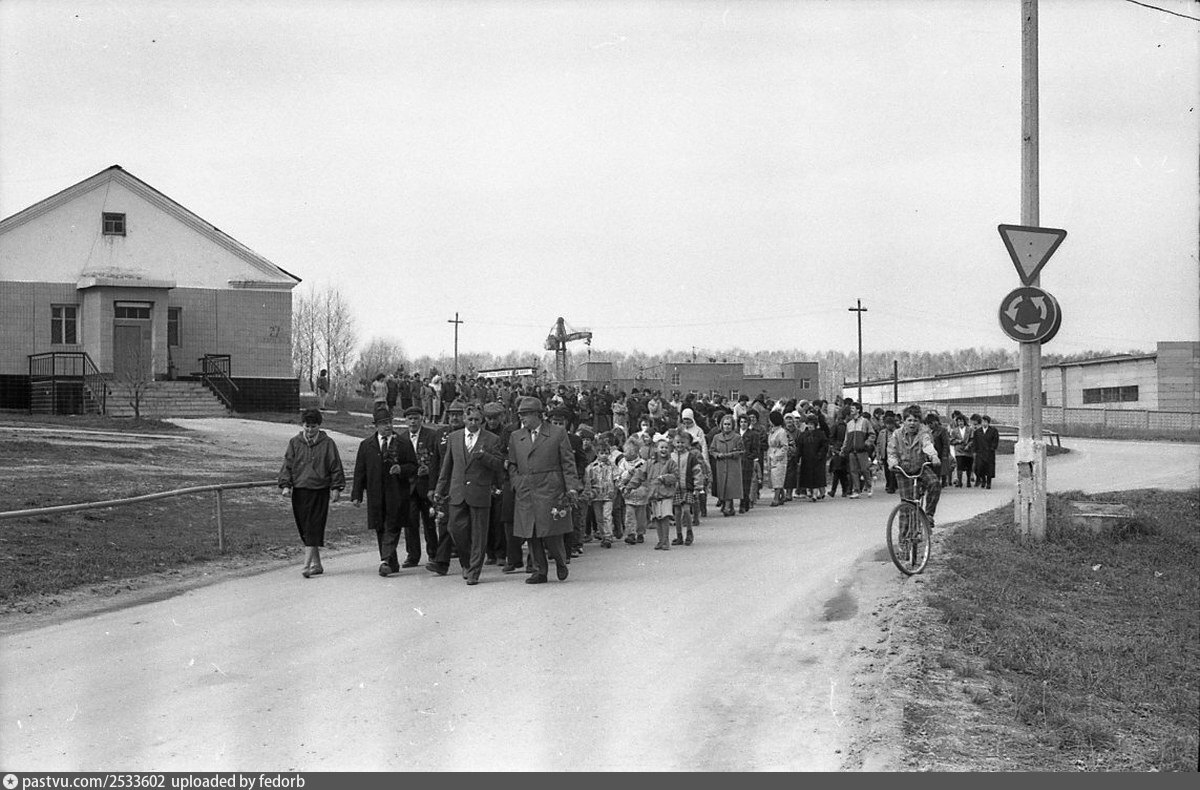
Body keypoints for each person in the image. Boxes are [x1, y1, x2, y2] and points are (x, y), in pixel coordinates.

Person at [507, 396, 582, 584]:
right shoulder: (516, 436)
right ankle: (540, 571)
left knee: (551, 531)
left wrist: (572, 488)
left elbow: (568, 463)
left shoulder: (557, 433)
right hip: (526, 490)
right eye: (520, 414)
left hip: (550, 490)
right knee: (531, 532)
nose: (522, 418)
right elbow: (512, 464)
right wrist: (516, 482)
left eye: (525, 414)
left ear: (537, 414)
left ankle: (560, 561)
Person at [431, 404, 505, 585]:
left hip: (480, 492)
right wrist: (439, 489)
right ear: (464, 419)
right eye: (470, 419)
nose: (473, 423)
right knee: (455, 529)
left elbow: (499, 464)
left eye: (477, 420)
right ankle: (466, 562)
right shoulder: (454, 438)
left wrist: (484, 456)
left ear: (482, 420)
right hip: (457, 492)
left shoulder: (492, 439)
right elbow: (447, 466)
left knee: (479, 534)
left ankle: (474, 571)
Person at [351, 405, 419, 577]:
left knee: (393, 525)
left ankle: (385, 560)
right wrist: (356, 495)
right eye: (383, 423)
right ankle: (391, 562)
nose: (388, 426)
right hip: (376, 494)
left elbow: (413, 466)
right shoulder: (366, 445)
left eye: (389, 422)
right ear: (376, 425)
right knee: (380, 527)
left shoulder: (403, 443)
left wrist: (401, 469)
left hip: (397, 493)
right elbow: (360, 472)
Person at [278, 408, 345, 578]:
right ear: (302, 425)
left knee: (313, 527)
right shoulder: (295, 442)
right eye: (307, 426)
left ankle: (306, 565)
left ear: (319, 426)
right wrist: (286, 485)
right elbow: (288, 464)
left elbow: (335, 465)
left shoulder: (328, 443)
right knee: (304, 528)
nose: (309, 430)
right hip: (300, 490)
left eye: (313, 427)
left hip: (319, 490)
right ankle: (317, 564)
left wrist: (336, 487)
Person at [887, 404, 942, 525]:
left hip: (920, 468)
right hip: (903, 470)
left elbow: (927, 445)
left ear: (919, 422)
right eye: (909, 420)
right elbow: (891, 451)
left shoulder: (923, 433)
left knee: (935, 484)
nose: (912, 423)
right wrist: (893, 463)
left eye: (915, 420)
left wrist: (933, 456)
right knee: (906, 505)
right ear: (904, 421)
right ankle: (904, 535)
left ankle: (928, 515)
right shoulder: (897, 434)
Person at [402, 405, 442, 567]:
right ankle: (412, 556)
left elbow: (437, 459)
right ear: (405, 420)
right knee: (410, 521)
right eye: (410, 419)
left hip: (427, 486)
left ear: (422, 419)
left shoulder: (431, 436)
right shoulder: (401, 438)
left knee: (429, 521)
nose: (413, 422)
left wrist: (429, 470)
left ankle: (433, 553)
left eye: (416, 418)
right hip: (409, 487)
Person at [582, 432, 618, 549]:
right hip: (596, 496)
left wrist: (616, 489)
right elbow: (588, 481)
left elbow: (616, 478)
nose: (604, 455)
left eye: (606, 453)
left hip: (608, 495)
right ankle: (603, 535)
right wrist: (588, 493)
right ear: (597, 454)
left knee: (607, 516)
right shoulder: (591, 467)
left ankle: (608, 536)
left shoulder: (612, 466)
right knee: (599, 518)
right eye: (602, 453)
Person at [645, 434, 679, 550]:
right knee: (657, 519)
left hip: (666, 495)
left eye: (666, 447)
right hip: (654, 495)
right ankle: (660, 540)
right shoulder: (650, 463)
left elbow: (675, 476)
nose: (664, 449)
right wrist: (630, 486)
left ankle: (666, 540)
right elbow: (640, 475)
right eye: (661, 447)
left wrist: (664, 478)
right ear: (656, 449)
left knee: (665, 518)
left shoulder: (671, 463)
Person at [708, 414, 745, 518]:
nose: (727, 426)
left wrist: (732, 454)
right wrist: (717, 455)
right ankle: (729, 506)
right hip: (721, 465)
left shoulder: (737, 437)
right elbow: (711, 450)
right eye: (725, 424)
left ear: (732, 425)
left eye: (729, 424)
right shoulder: (716, 437)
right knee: (722, 486)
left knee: (730, 485)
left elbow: (742, 451)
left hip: (733, 465)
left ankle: (727, 507)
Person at [617, 436, 650, 545]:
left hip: (641, 493)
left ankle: (640, 532)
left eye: (626, 451)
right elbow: (619, 475)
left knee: (641, 516)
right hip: (629, 494)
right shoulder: (623, 463)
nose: (624, 454)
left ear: (634, 452)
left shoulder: (643, 463)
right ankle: (631, 533)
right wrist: (628, 473)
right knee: (629, 515)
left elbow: (646, 477)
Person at [841, 402, 876, 498]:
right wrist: (843, 449)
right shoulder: (849, 424)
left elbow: (872, 434)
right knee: (853, 471)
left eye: (853, 408)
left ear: (858, 410)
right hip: (851, 450)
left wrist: (867, 443)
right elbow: (846, 438)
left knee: (864, 469)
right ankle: (856, 490)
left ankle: (869, 486)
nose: (851, 410)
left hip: (862, 450)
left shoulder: (865, 422)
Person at [796, 413, 829, 501]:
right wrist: (797, 457)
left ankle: (815, 494)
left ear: (815, 424)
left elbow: (824, 446)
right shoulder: (803, 435)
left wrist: (820, 455)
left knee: (817, 477)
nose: (810, 426)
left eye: (812, 424)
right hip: (806, 459)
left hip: (818, 459)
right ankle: (814, 492)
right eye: (808, 424)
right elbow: (799, 447)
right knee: (809, 477)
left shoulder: (821, 434)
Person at [736, 414, 760, 513]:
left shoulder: (753, 434)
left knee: (746, 483)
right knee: (737, 483)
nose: (743, 424)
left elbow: (756, 450)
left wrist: (748, 457)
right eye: (741, 422)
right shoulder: (735, 434)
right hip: (736, 461)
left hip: (747, 462)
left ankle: (744, 502)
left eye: (745, 422)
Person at [765, 411, 790, 506]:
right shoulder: (772, 431)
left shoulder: (781, 432)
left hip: (779, 457)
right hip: (771, 454)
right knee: (774, 477)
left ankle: (776, 498)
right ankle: (782, 495)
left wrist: (777, 456)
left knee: (778, 477)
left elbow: (785, 446)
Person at [973, 414, 999, 489]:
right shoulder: (977, 432)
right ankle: (983, 480)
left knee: (989, 468)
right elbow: (975, 442)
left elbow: (995, 441)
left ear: (988, 423)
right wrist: (975, 451)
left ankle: (988, 483)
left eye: (985, 422)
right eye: (983, 421)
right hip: (980, 452)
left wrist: (992, 448)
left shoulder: (993, 431)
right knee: (980, 467)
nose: (984, 423)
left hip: (989, 453)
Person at [949, 412, 975, 488]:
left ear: (964, 422)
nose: (960, 423)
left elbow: (972, 439)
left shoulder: (970, 430)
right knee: (959, 466)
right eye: (959, 421)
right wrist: (958, 441)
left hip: (968, 450)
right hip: (959, 450)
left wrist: (968, 445)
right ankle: (959, 481)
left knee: (969, 466)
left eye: (962, 421)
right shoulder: (954, 431)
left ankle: (968, 481)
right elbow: (951, 440)